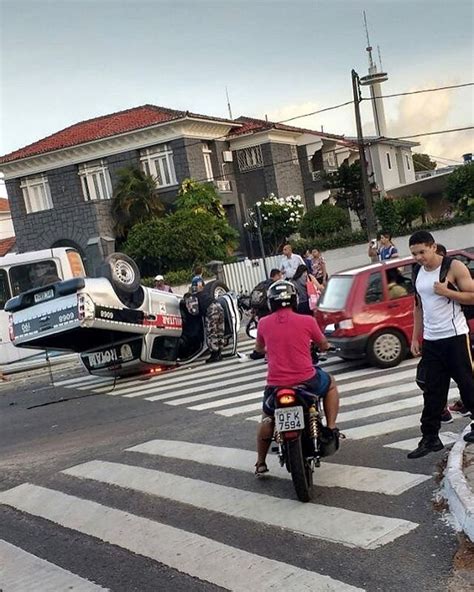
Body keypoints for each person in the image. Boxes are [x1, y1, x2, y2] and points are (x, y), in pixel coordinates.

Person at [254, 280, 340, 475]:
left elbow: (258, 349)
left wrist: (268, 349)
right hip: (307, 381)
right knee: (331, 384)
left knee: (268, 419)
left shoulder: (263, 323)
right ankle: (332, 428)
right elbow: (323, 344)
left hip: (276, 385)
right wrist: (326, 347)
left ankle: (260, 462)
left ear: (271, 302)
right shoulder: (307, 321)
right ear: (294, 299)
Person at [407, 230, 474, 458]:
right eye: (414, 254)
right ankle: (430, 437)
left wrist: (447, 292)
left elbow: (472, 295)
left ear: (433, 247)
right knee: (432, 390)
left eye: (422, 252)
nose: (418, 258)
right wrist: (416, 337)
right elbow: (418, 306)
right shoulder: (417, 272)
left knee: (467, 383)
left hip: (455, 337)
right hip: (432, 339)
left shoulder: (453, 267)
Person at [192, 279, 225, 364]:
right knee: (219, 330)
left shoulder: (195, 296)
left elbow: (194, 311)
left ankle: (214, 354)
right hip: (219, 306)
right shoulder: (205, 293)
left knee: (212, 331)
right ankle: (219, 352)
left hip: (211, 310)